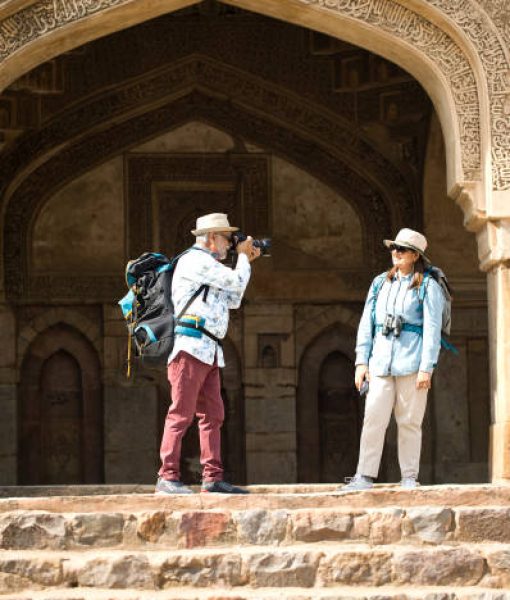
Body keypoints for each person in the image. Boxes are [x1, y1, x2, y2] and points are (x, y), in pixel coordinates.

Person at [155, 213, 260, 495]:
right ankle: (167, 476)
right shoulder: (195, 261)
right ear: (212, 238)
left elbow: (234, 299)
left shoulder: (212, 266)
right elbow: (236, 283)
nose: (229, 244)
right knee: (180, 413)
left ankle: (212, 477)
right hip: (189, 347)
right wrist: (241, 259)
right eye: (226, 238)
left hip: (210, 349)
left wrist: (244, 262)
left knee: (213, 415)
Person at [341, 228, 444, 492]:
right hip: (380, 362)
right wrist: (361, 362)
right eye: (393, 248)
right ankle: (364, 475)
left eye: (401, 249)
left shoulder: (427, 286)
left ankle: (409, 476)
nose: (395, 253)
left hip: (412, 362)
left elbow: (432, 329)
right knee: (374, 418)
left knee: (409, 421)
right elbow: (367, 324)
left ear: (414, 255)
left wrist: (427, 368)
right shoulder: (380, 283)